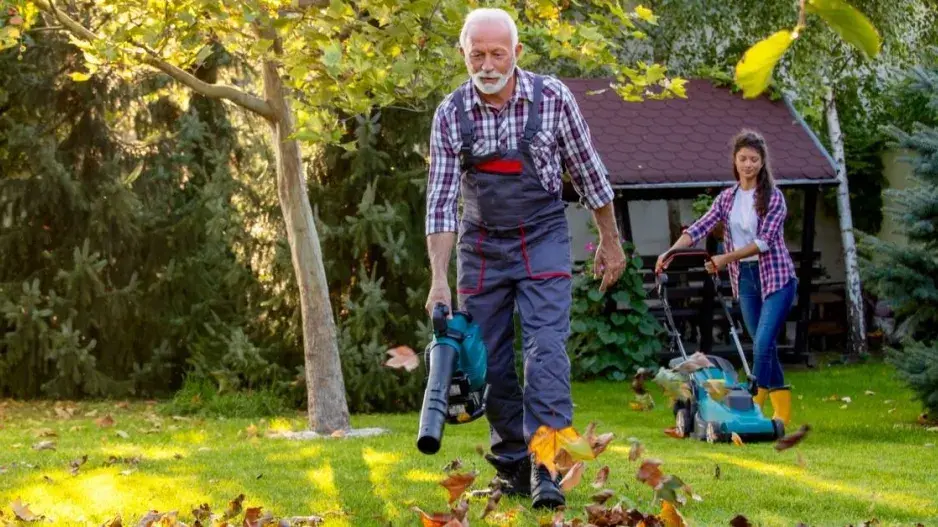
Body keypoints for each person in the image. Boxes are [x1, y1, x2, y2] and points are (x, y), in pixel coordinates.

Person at [424, 7, 625, 510]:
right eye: (477, 54)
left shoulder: (552, 98)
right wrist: (439, 280)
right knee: (485, 360)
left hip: (542, 236)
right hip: (482, 245)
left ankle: (547, 464)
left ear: (517, 52)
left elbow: (589, 173)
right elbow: (442, 202)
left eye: (497, 53)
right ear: (463, 55)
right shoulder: (451, 114)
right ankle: (513, 464)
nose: (488, 64)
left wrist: (611, 240)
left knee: (547, 350)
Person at [656, 129, 797, 426]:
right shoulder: (727, 198)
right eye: (743, 158)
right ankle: (782, 413)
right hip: (745, 279)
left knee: (761, 344)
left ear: (762, 163)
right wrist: (669, 253)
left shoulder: (774, 198)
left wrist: (723, 258)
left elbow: (763, 243)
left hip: (776, 278)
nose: (748, 165)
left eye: (754, 160)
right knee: (765, 345)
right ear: (735, 160)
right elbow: (698, 229)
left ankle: (753, 401)